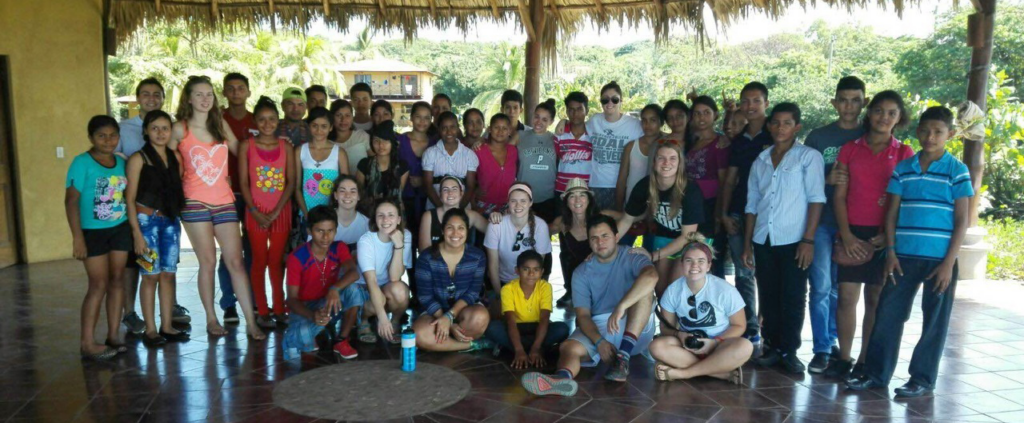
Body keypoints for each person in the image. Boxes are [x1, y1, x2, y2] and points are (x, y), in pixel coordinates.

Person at [846, 106, 973, 398]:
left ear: (949, 135)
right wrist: (890, 251)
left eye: (938, 132)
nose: (930, 137)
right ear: (917, 132)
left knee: (934, 321)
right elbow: (890, 214)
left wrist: (948, 263)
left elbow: (962, 220)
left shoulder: (957, 170)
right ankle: (876, 374)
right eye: (925, 130)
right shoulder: (904, 168)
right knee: (888, 315)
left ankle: (922, 379)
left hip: (940, 260)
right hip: (902, 257)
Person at [170, 75, 264, 340]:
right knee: (208, 261)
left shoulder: (220, 124)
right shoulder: (179, 129)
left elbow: (242, 150)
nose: (204, 99)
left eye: (209, 94)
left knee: (236, 261)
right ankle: (211, 319)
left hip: (224, 200)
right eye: (199, 94)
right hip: (193, 202)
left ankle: (251, 322)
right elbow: (164, 161)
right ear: (188, 98)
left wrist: (275, 151)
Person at [520, 215, 658, 396]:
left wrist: (622, 306)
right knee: (568, 347)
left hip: (635, 326)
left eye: (605, 236)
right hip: (601, 326)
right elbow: (583, 315)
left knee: (645, 290)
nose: (600, 242)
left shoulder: (632, 256)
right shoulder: (582, 272)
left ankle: (622, 358)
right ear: (589, 242)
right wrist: (599, 342)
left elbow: (651, 276)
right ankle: (561, 379)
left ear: (616, 237)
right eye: (594, 238)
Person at [829, 90, 914, 379]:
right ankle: (843, 358)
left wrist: (886, 237)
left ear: (899, 117)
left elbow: (905, 201)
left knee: (875, 300)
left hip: (883, 236)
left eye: (892, 112)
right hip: (851, 231)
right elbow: (839, 196)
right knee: (846, 298)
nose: (884, 117)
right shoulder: (850, 149)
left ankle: (865, 360)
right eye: (879, 110)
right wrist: (847, 235)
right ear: (869, 112)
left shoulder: (905, 153)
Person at [742, 102, 825, 373]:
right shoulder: (761, 160)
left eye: (787, 123)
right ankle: (772, 346)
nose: (780, 128)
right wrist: (747, 244)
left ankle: (789, 350)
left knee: (793, 294)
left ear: (797, 127)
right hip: (763, 238)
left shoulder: (808, 157)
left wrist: (808, 240)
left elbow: (816, 199)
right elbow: (752, 204)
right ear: (769, 125)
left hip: (795, 240)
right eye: (776, 122)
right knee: (768, 294)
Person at [802, 75, 867, 374]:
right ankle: (821, 349)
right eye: (843, 99)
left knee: (843, 291)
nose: (849, 106)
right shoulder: (819, 137)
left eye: (855, 100)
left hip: (856, 226)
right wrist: (824, 180)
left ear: (864, 102)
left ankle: (839, 342)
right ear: (834, 102)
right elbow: (802, 178)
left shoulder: (871, 134)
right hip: (823, 221)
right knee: (821, 286)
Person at [117, 78, 190, 333]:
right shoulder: (138, 159)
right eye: (155, 128)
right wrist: (137, 233)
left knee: (168, 275)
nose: (160, 133)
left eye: (165, 128)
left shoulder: (175, 158)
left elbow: (178, 187)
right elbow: (130, 198)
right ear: (146, 131)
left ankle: (166, 326)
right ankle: (150, 330)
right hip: (146, 224)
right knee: (150, 277)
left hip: (170, 223)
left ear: (171, 131)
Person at [67, 116, 131, 359]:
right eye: (101, 136)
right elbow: (71, 201)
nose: (108, 140)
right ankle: (87, 343)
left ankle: (113, 334)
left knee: (117, 280)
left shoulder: (121, 163)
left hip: (119, 228)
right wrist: (77, 238)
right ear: (91, 137)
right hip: (92, 232)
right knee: (98, 285)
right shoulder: (81, 162)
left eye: (113, 135)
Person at [649, 234, 752, 384]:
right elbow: (666, 328)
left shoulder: (724, 289)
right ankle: (720, 373)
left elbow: (740, 325)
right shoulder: (673, 291)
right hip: (688, 347)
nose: (694, 266)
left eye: (701, 261)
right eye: (689, 261)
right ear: (682, 263)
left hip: (719, 345)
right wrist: (680, 335)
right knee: (657, 346)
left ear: (709, 266)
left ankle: (684, 373)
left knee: (745, 346)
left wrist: (715, 342)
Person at [719, 81, 774, 342]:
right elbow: (730, 180)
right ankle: (749, 327)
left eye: (756, 101)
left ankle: (770, 327)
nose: (750, 106)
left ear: (766, 103)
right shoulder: (738, 141)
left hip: (771, 217)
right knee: (744, 273)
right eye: (746, 101)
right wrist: (724, 214)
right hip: (739, 213)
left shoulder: (776, 134)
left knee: (768, 274)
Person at [617, 140, 704, 296]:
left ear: (680, 164)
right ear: (654, 162)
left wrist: (652, 255)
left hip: (693, 240)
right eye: (661, 158)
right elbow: (626, 220)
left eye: (672, 158)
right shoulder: (644, 185)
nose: (666, 163)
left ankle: (679, 320)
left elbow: (687, 236)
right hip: (665, 237)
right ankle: (665, 321)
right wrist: (608, 244)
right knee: (660, 288)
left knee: (676, 286)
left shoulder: (690, 190)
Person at [240, 96, 297, 329]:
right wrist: (254, 210)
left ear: (278, 121)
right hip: (255, 212)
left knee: (276, 262)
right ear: (256, 121)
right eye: (262, 119)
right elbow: (244, 183)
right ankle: (262, 311)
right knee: (258, 261)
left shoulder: (286, 147)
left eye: (271, 119)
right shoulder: (247, 145)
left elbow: (291, 182)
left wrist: (277, 211)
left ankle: (279, 308)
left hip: (280, 212)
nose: (267, 124)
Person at [282, 206, 364, 360]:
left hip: (329, 300)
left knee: (353, 289)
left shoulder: (338, 247)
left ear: (336, 230)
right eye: (320, 231)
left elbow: (353, 273)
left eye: (330, 231)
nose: (326, 237)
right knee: (300, 339)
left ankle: (341, 340)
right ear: (309, 231)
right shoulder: (297, 257)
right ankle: (320, 326)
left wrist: (334, 289)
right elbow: (291, 300)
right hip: (305, 307)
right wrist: (312, 315)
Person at [413, 208, 493, 352]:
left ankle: (445, 341)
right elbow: (425, 296)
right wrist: (446, 321)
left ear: (467, 231)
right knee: (419, 335)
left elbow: (473, 293)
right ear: (443, 231)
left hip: (463, 310)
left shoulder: (477, 256)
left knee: (480, 317)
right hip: (434, 313)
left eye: (461, 228)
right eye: (450, 228)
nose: (455, 233)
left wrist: (449, 316)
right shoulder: (426, 257)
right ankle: (470, 345)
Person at [219, 72, 259, 325]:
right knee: (228, 251)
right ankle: (228, 303)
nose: (235, 92)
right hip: (224, 193)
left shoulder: (258, 120)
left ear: (248, 92)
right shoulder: (215, 120)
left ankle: (254, 301)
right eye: (231, 88)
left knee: (253, 248)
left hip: (254, 194)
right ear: (224, 92)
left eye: (240, 88)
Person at [485, 250, 570, 367]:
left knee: (562, 328)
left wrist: (535, 347)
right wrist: (519, 350)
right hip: (516, 328)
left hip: (537, 327)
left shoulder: (545, 287)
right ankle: (531, 349)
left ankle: (523, 348)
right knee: (492, 328)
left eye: (536, 270)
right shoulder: (508, 289)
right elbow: (510, 321)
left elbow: (545, 319)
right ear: (517, 270)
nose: (531, 274)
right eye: (526, 269)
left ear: (542, 272)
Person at [549, 178, 617, 308]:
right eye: (572, 196)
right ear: (566, 201)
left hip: (598, 274)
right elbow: (539, 231)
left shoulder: (602, 216)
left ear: (589, 199)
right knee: (565, 255)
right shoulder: (562, 222)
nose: (578, 200)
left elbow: (628, 217)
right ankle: (570, 291)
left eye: (582, 195)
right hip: (575, 276)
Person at [685, 96, 731, 278]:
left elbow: (723, 181)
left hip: (710, 207)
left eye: (706, 113)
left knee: (710, 257)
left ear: (715, 115)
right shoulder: (691, 142)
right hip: (690, 206)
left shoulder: (720, 144)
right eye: (697, 113)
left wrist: (719, 214)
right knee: (691, 255)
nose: (701, 118)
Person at [355, 198, 413, 344]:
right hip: (365, 288)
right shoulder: (366, 240)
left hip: (387, 287)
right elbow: (371, 281)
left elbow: (395, 277)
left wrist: (399, 246)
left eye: (391, 215)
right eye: (380, 215)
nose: (386, 219)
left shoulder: (405, 236)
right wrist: (382, 318)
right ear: (375, 219)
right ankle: (363, 320)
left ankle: (395, 322)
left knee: (400, 290)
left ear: (399, 219)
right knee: (378, 299)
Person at [484, 183, 553, 304]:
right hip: (503, 283)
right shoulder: (496, 225)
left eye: (523, 201)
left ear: (531, 203)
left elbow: (538, 267)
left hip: (529, 283)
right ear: (508, 202)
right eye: (513, 201)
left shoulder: (540, 226)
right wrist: (501, 295)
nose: (518, 205)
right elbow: (493, 267)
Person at [587, 81, 643, 210]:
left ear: (621, 101)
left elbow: (652, 135)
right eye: (605, 100)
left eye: (614, 99)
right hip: (596, 184)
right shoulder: (595, 120)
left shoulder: (633, 125)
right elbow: (577, 127)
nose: (610, 103)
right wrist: (563, 121)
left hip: (622, 185)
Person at [615, 103, 663, 247]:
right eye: (644, 120)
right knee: (622, 250)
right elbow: (622, 179)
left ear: (661, 122)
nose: (647, 125)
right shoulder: (631, 146)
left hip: (658, 211)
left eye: (653, 120)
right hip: (632, 206)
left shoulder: (668, 144)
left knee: (651, 253)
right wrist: (619, 209)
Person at [295, 107, 349, 219]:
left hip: (332, 214)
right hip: (307, 212)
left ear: (331, 127)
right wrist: (306, 214)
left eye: (324, 126)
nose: (319, 131)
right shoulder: (300, 151)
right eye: (315, 125)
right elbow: (297, 187)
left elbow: (345, 187)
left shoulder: (339, 152)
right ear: (309, 126)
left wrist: (334, 212)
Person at [423, 111, 478, 210]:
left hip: (462, 206)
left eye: (452, 127)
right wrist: (442, 208)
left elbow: (470, 186)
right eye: (444, 128)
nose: (449, 132)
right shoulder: (430, 153)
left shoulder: (469, 154)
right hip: (436, 205)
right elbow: (428, 185)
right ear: (439, 130)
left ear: (458, 128)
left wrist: (459, 209)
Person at [418, 176, 489, 251]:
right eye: (445, 189)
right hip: (435, 261)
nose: (450, 193)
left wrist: (496, 217)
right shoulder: (428, 216)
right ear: (440, 194)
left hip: (465, 261)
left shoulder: (471, 215)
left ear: (461, 193)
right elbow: (424, 249)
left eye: (454, 189)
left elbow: (495, 231)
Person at [517, 99, 559, 222]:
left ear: (551, 122)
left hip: (547, 199)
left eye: (544, 119)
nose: (539, 122)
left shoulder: (556, 139)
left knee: (544, 236)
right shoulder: (520, 135)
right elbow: (501, 147)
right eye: (537, 117)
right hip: (523, 197)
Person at [398, 101, 436, 237]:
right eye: (418, 116)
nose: (422, 121)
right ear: (411, 118)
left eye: (427, 118)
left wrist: (424, 181)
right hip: (403, 200)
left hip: (429, 200)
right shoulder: (399, 141)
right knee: (406, 239)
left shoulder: (436, 143)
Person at [356, 120, 409, 207]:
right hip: (368, 211)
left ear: (392, 143)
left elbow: (398, 194)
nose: (381, 145)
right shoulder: (364, 164)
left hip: (394, 212)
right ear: (371, 143)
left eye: (385, 141)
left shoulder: (402, 166)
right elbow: (360, 194)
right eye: (376, 141)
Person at [474, 114, 518, 214]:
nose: (500, 131)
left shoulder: (513, 151)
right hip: (484, 205)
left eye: (504, 128)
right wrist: (474, 191)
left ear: (509, 131)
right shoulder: (479, 150)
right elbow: (468, 176)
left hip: (508, 205)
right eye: (496, 127)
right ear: (489, 129)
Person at [554, 92, 592, 195]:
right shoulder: (559, 135)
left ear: (587, 111)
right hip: (562, 189)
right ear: (567, 111)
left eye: (579, 109)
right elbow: (555, 160)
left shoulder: (594, 135)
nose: (575, 114)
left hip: (585, 191)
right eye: (571, 109)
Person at [328, 99, 371, 172]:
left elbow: (374, 160)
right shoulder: (327, 142)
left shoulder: (362, 136)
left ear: (352, 117)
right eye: (338, 115)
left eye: (347, 115)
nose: (343, 119)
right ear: (332, 117)